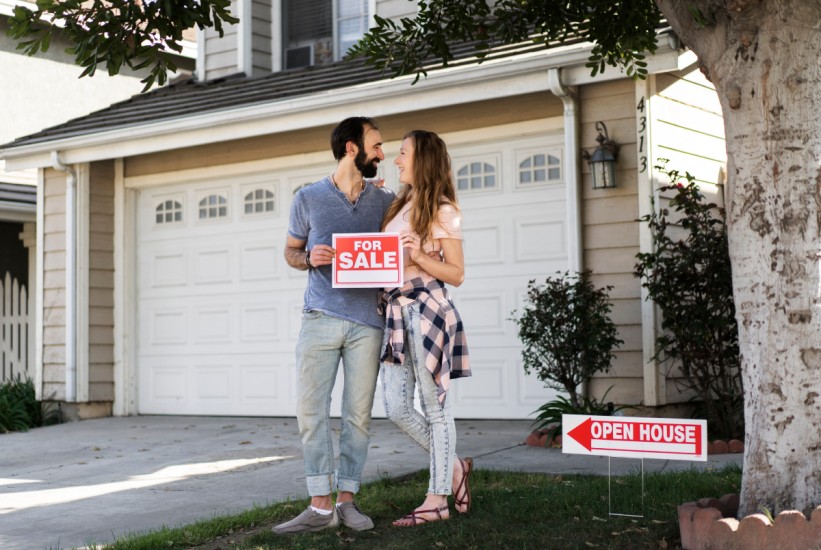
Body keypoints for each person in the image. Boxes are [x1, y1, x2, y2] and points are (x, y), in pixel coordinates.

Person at [274, 116, 395, 535]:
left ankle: (347, 500)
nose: (382, 153)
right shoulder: (308, 198)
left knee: (357, 416)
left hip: (368, 323)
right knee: (311, 412)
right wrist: (309, 258)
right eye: (376, 145)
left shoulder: (384, 200)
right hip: (320, 319)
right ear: (351, 148)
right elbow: (290, 252)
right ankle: (319, 505)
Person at [379, 130, 473, 526]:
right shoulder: (401, 204)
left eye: (403, 154)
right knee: (397, 408)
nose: (397, 160)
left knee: (435, 411)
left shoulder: (442, 209)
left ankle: (435, 502)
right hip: (396, 314)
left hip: (427, 311)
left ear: (423, 160)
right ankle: (454, 468)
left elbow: (457, 273)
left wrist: (418, 255)